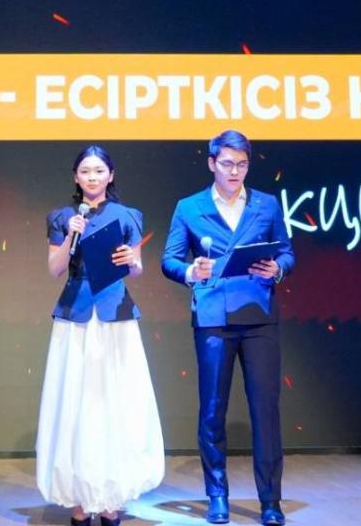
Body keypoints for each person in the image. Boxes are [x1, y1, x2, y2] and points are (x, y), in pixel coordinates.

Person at [161, 130, 295, 526]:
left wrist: (277, 268)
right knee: (212, 410)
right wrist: (191, 271)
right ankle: (217, 495)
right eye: (227, 164)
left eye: (241, 165)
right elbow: (169, 260)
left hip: (258, 315)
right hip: (213, 319)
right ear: (211, 163)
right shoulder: (189, 207)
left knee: (265, 410)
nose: (234, 171)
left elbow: (287, 251)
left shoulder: (267, 204)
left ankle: (270, 500)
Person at [36, 145, 165, 526]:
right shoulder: (62, 217)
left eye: (99, 171)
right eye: (85, 171)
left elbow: (137, 269)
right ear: (75, 177)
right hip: (75, 316)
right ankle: (79, 498)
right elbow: (55, 269)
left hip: (115, 316)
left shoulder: (128, 215)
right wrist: (69, 238)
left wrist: (132, 261)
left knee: (115, 400)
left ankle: (111, 498)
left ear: (110, 175)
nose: (92, 177)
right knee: (75, 402)